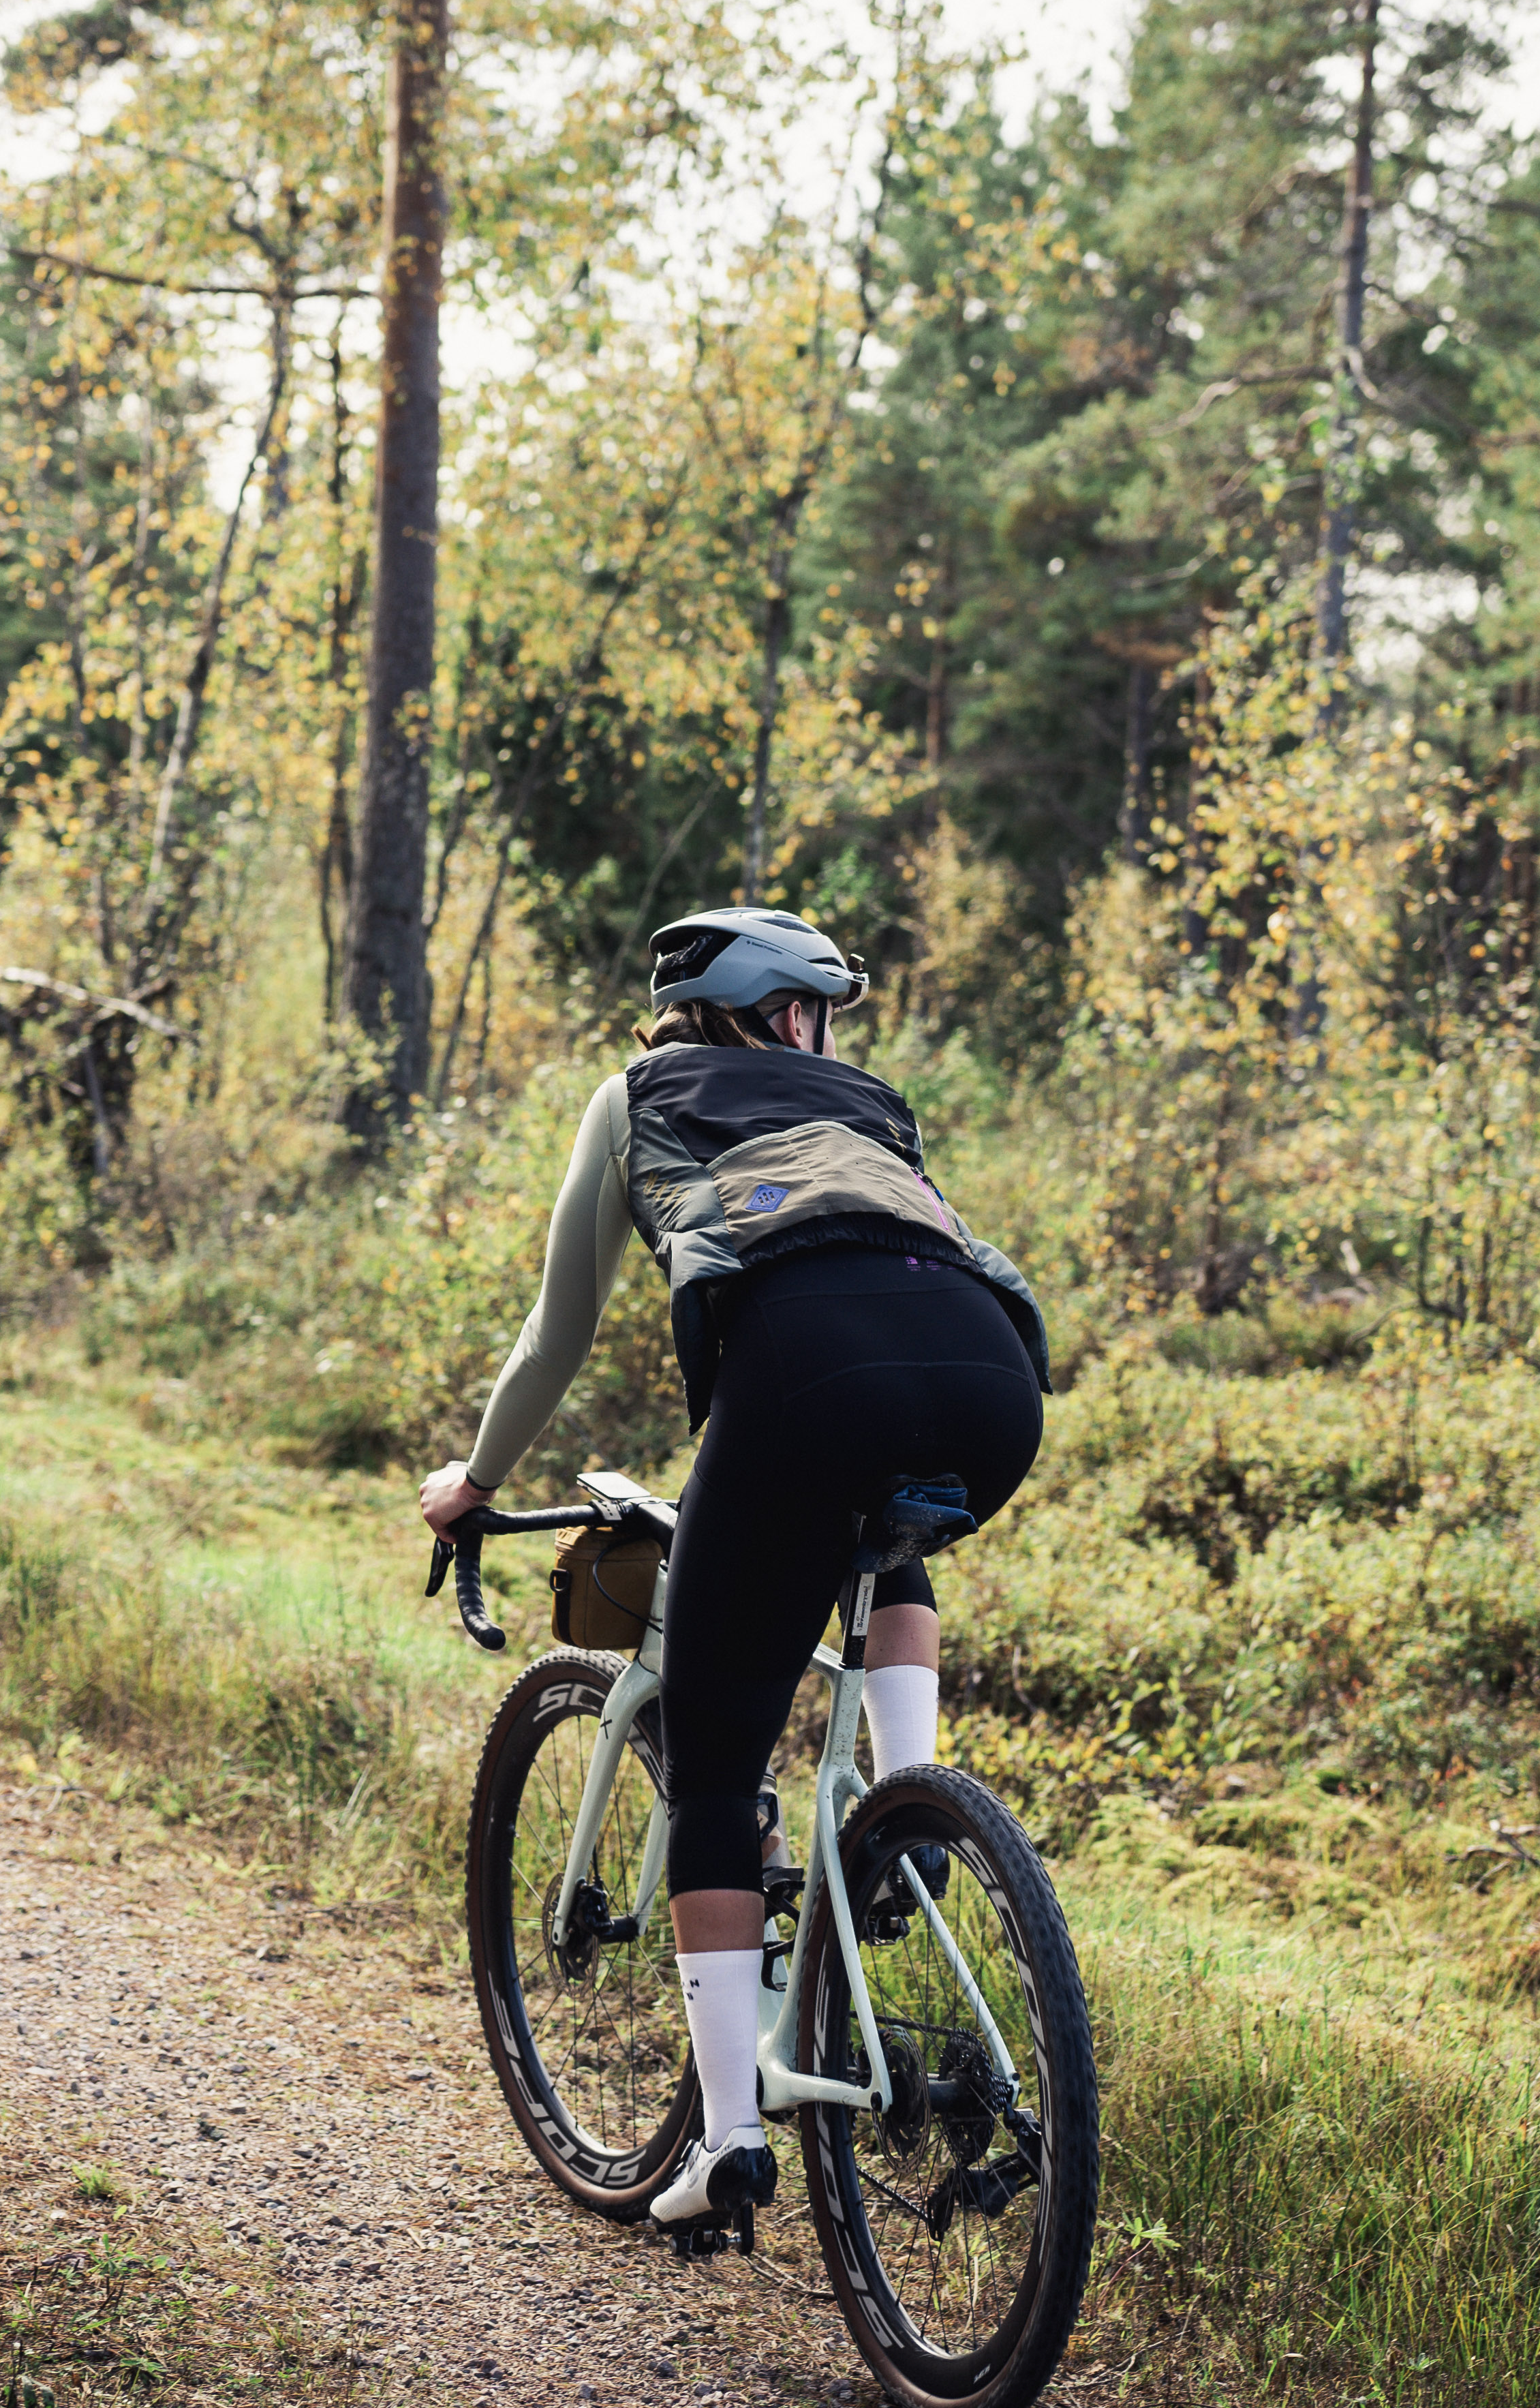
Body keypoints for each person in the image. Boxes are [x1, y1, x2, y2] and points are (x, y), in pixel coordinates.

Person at [414, 906, 1049, 2249]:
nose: (824, 1034)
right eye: (816, 1008)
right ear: (779, 1011)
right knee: (890, 1535)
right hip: (994, 1376)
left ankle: (729, 2140)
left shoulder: (636, 1090)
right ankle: (912, 1813)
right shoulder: (869, 1106)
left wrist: (472, 1477)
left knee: (714, 1772)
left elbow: (557, 1330)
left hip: (807, 1385)